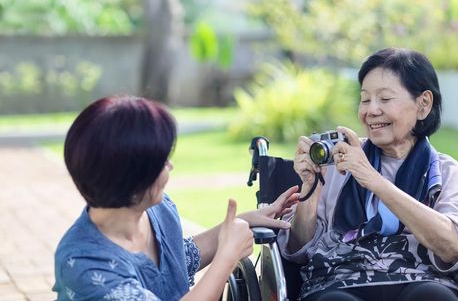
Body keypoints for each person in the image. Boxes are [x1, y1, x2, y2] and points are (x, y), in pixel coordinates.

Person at [278, 48, 458, 301]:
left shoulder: (444, 171)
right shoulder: (337, 160)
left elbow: (452, 248)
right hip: (337, 280)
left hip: (420, 278)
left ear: (423, 104)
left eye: (384, 99)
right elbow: (298, 249)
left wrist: (372, 179)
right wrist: (311, 189)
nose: (371, 110)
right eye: (365, 99)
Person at [53, 95, 300, 300]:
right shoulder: (84, 262)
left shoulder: (158, 210)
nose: (170, 166)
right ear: (131, 177)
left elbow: (177, 260)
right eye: (161, 161)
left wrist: (246, 222)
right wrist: (226, 258)